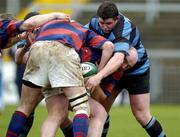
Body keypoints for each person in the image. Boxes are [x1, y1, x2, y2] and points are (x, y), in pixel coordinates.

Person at [5, 19, 114, 137]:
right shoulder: (83, 30)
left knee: (26, 108)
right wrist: (99, 74)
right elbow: (108, 45)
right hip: (63, 51)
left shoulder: (43, 26)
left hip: (37, 50)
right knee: (82, 108)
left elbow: (18, 59)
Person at [84, 1, 166, 137]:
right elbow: (81, 35)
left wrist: (98, 76)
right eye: (101, 23)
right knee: (100, 112)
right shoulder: (94, 22)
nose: (104, 27)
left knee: (142, 115)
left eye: (108, 23)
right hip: (112, 71)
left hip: (136, 71)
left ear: (117, 19)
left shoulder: (124, 27)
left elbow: (118, 58)